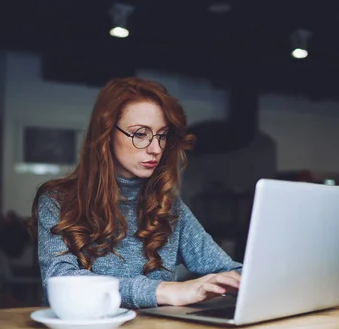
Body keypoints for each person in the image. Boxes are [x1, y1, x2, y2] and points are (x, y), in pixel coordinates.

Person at [32, 77, 242, 313]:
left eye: (161, 135)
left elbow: (230, 271)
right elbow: (60, 282)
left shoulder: (169, 207)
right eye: (140, 134)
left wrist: (248, 282)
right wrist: (164, 291)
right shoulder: (57, 200)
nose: (155, 148)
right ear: (107, 134)